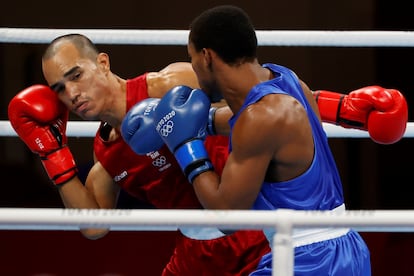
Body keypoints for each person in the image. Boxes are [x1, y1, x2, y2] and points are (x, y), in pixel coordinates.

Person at [8, 32, 406, 275]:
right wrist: (52, 154)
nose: (72, 93)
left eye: (75, 76)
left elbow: (262, 105)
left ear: (103, 63)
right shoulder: (106, 153)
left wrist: (344, 110)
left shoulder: (170, 84)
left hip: (250, 230)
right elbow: (93, 225)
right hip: (195, 252)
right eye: (59, 89)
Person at [147, 5, 408, 276]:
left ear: (207, 56)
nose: (194, 69)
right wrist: (204, 121)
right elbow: (246, 116)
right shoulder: (285, 79)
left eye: (191, 58)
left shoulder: (259, 118)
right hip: (344, 249)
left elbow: (226, 215)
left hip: (309, 260)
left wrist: (185, 144)